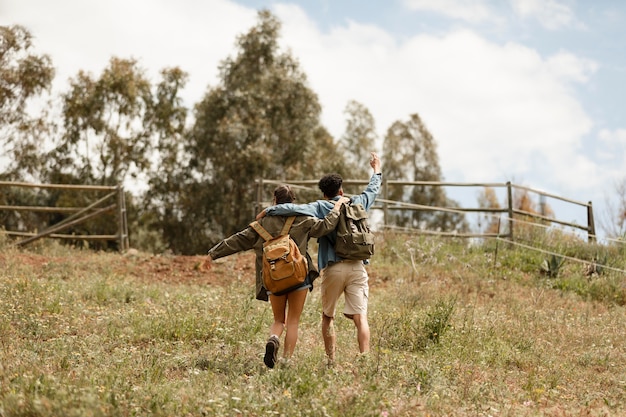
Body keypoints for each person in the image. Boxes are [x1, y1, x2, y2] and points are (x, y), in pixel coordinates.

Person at [204, 185, 349, 368]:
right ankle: (286, 361)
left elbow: (238, 240)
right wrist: (336, 208)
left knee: (279, 320)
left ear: (274, 200)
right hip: (299, 278)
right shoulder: (303, 219)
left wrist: (213, 254)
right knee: (293, 321)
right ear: (293, 200)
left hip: (273, 278)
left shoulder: (261, 224)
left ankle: (273, 338)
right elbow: (326, 226)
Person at [257, 152, 382, 363]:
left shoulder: (320, 206)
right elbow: (373, 188)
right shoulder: (358, 202)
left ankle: (331, 360)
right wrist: (376, 168)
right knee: (361, 318)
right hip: (358, 267)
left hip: (333, 268)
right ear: (341, 189)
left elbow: (294, 208)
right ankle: (366, 360)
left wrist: (270, 209)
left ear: (324, 193)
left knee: (328, 317)